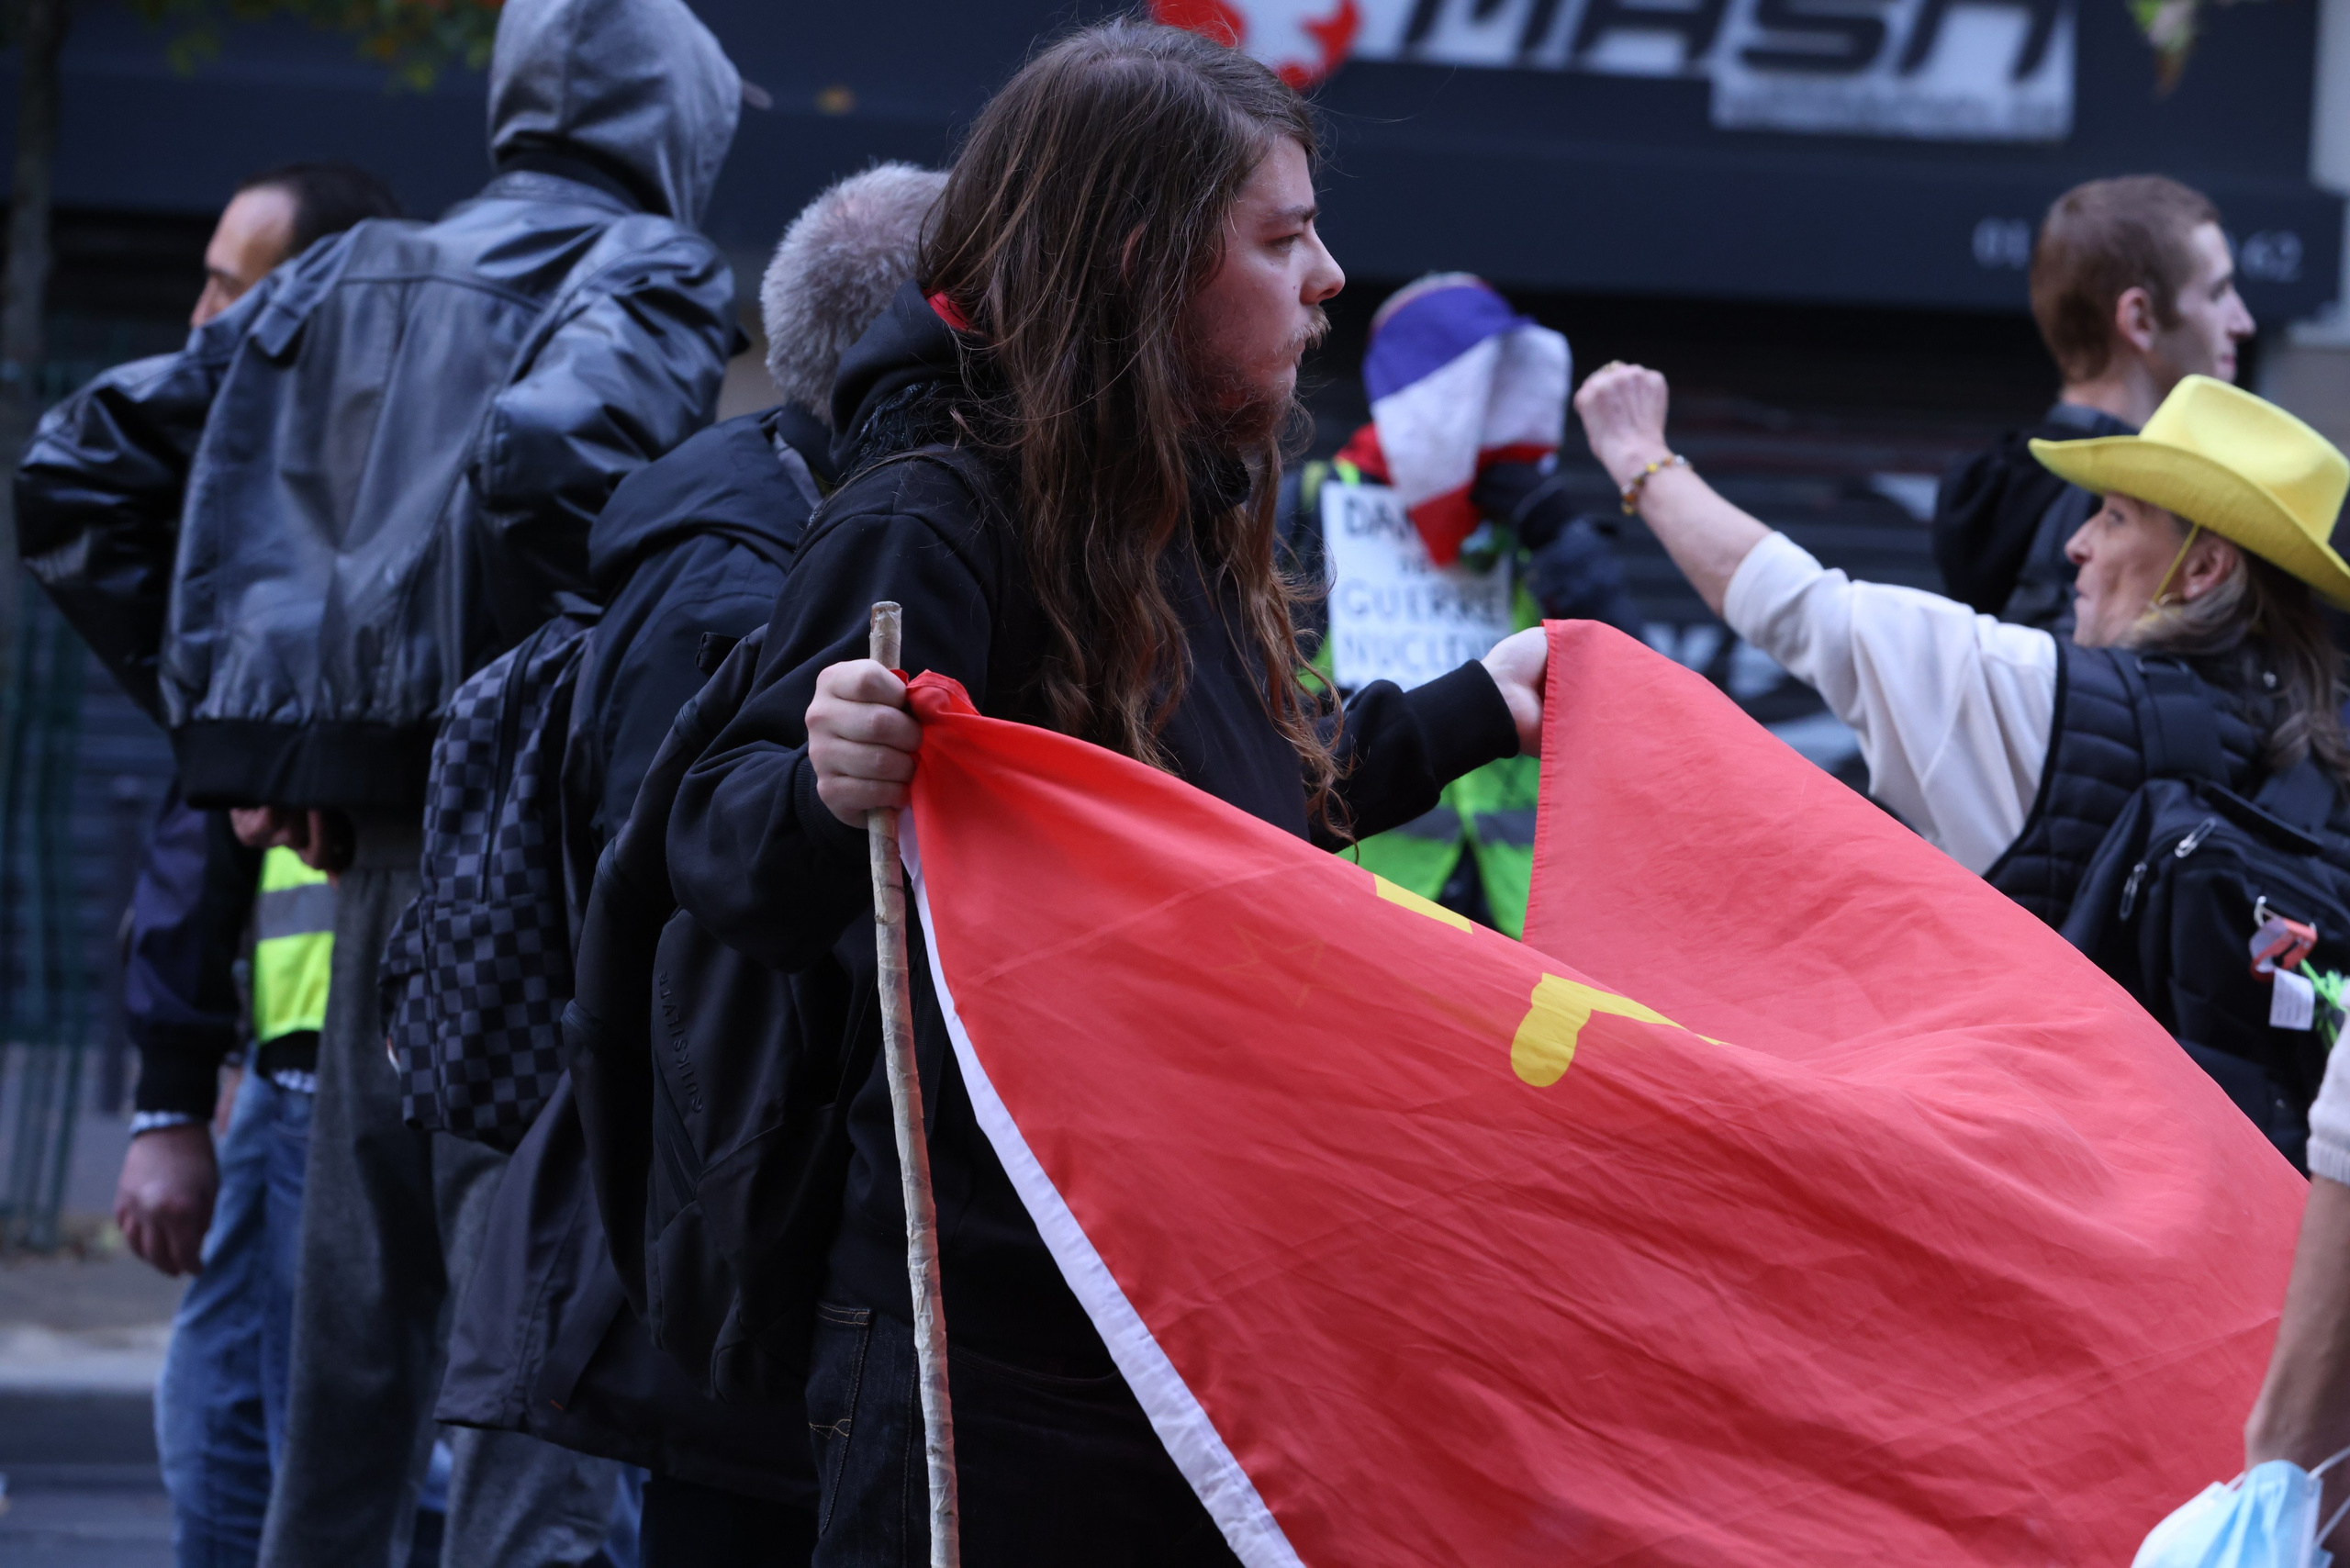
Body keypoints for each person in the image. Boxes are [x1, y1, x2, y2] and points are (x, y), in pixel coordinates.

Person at [666, 22, 1549, 1563]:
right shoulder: (928, 519)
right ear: (1142, 262)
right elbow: (723, 848)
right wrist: (822, 780)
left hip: (1174, 1319)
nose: (1330, 274)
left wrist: (1488, 706)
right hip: (990, 1359)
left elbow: (1238, 815)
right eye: (1280, 239)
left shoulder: (1175, 514)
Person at [17, 0, 744, 1561]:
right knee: (523, 1391)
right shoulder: (650, 270)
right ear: (682, 117)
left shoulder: (345, 270)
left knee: (349, 1386)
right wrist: (444, 726)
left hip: (366, 884)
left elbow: (82, 466)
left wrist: (269, 734)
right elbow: (558, 465)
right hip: (529, 884)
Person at [436, 161, 948, 1568]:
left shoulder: (754, 528)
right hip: (723, 1252)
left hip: (721, 1238)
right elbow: (716, 945)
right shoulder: (744, 583)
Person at [1577, 357, 2350, 1125]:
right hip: (2259, 1219)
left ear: (2203, 569)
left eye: (2114, 518)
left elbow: (1797, 606)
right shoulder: (2328, 769)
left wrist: (1639, 454)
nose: (2077, 543)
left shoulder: (2040, 696)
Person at [82, 162, 395, 1568]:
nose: (200, 316)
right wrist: (172, 1091)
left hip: (340, 1092)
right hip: (275, 1085)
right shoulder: (276, 487)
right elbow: (204, 815)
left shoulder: (345, 507)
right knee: (227, 1453)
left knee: (317, 1479)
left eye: (234, 282)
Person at [1932, 175, 2255, 633]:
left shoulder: (1991, 487)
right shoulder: (2127, 501)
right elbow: (2062, 691)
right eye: (2218, 293)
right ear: (2139, 319)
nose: (2243, 322)